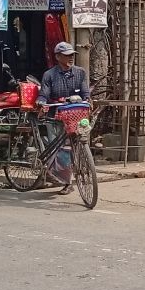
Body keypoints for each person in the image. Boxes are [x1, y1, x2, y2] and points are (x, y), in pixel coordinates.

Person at [37, 41, 91, 193]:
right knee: (59, 148)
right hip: (56, 115)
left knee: (77, 144)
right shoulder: (49, 75)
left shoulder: (80, 72)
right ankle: (65, 181)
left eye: (72, 55)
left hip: (76, 114)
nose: (71, 58)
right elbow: (44, 94)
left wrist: (88, 100)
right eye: (67, 55)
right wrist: (41, 102)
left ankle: (76, 174)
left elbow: (85, 93)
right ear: (58, 57)